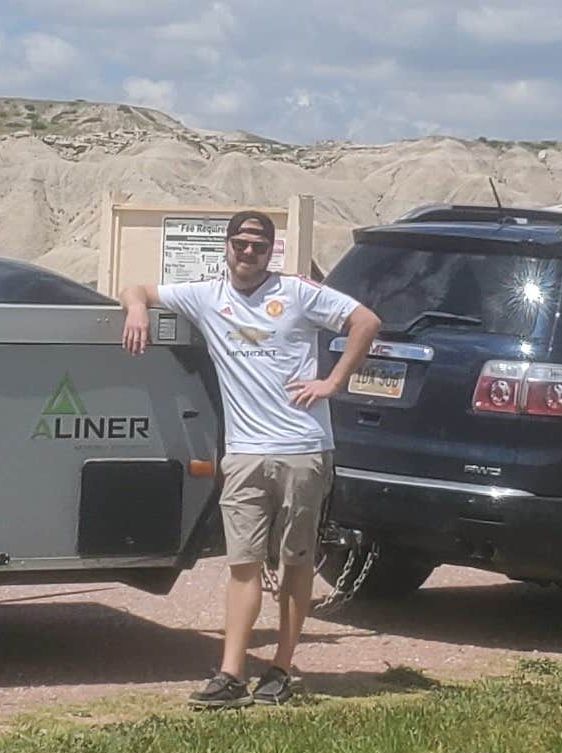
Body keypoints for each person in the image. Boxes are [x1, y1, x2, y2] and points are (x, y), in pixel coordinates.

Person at [123, 211, 379, 706]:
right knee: (242, 565)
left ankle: (281, 669)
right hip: (243, 454)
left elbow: (365, 321)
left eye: (258, 246)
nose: (248, 252)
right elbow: (139, 290)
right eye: (240, 243)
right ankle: (232, 674)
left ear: (271, 252)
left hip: (303, 449)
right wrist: (136, 312)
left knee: (295, 561)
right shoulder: (206, 296)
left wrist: (333, 382)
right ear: (226, 246)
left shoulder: (300, 294)